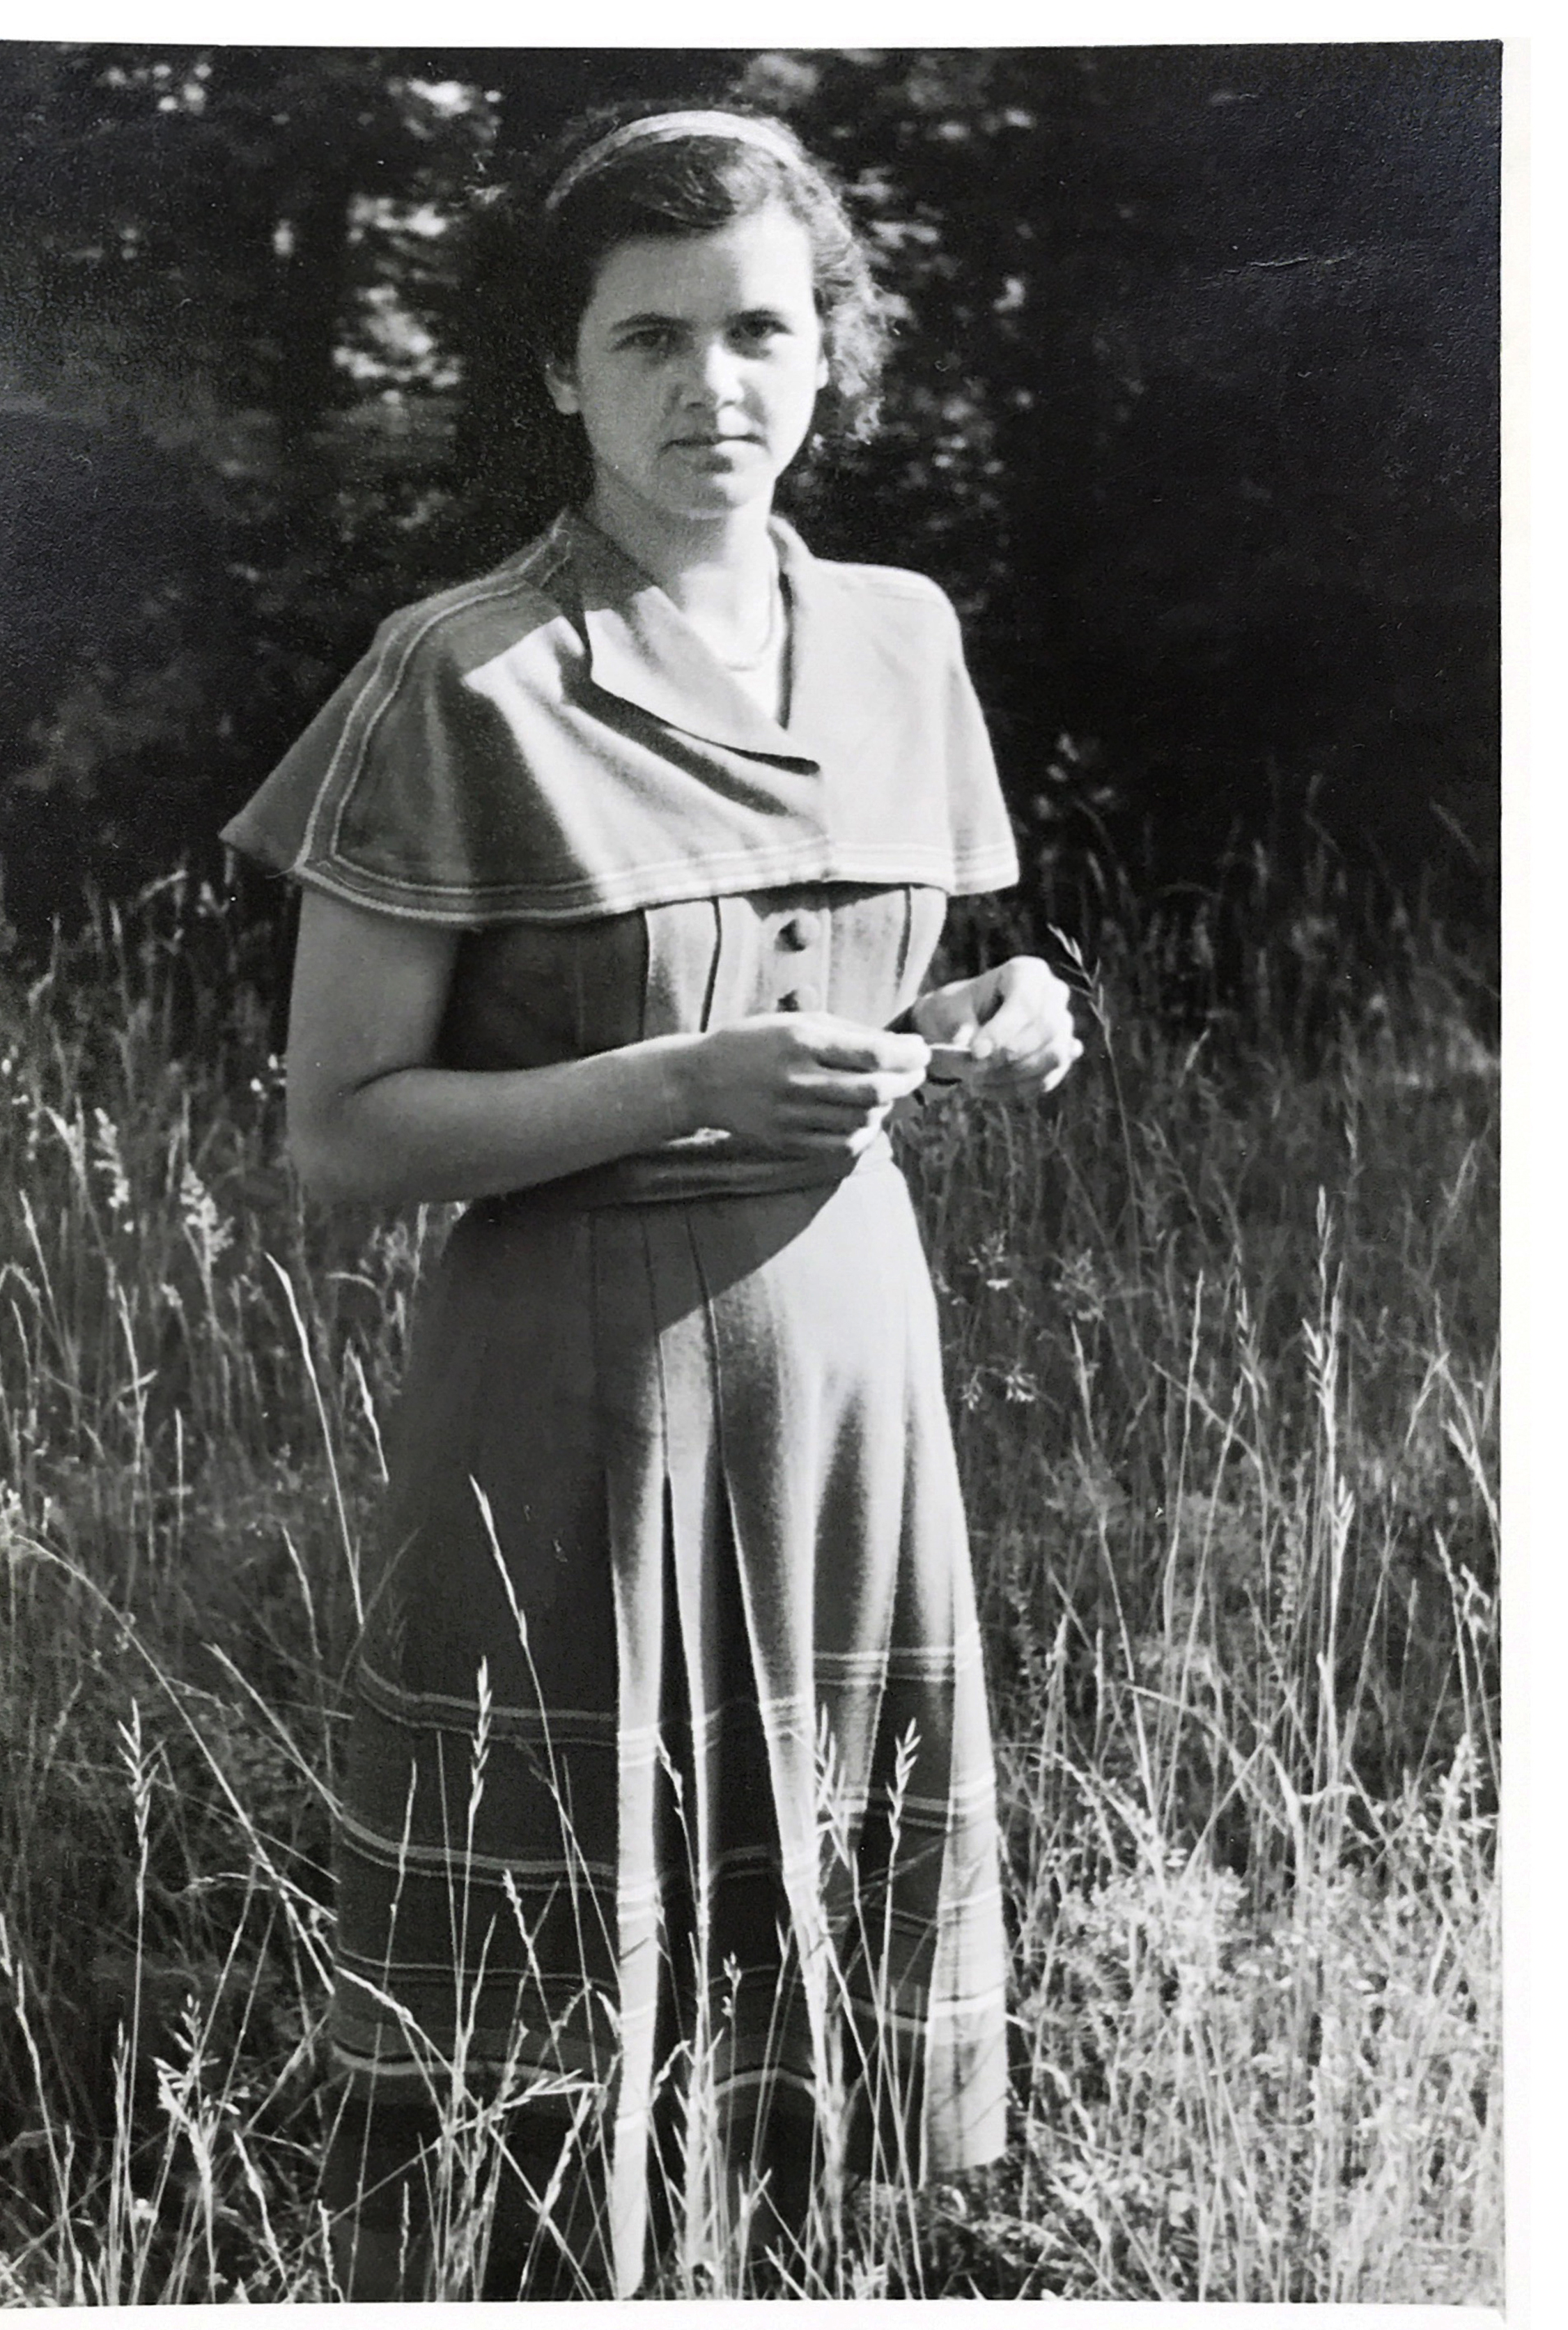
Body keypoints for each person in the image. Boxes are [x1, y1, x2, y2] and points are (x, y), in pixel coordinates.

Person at [222, 101, 1081, 2301]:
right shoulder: (461, 672)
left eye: (762, 331)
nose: (715, 386)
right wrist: (680, 1081)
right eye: (650, 339)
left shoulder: (900, 638)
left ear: (829, 355)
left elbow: (868, 984)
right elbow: (344, 1138)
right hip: (572, 1411)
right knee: (550, 2025)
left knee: (828, 1992)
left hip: (856, 1380)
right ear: (561, 370)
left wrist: (992, 1015)